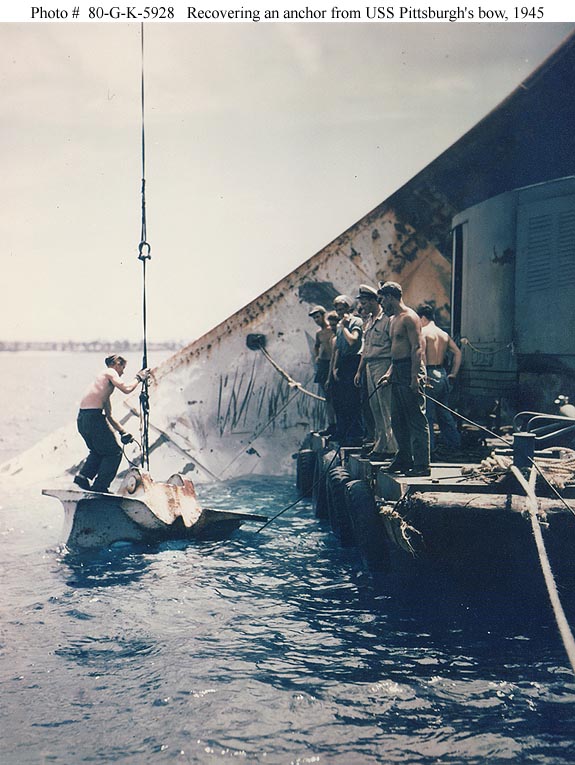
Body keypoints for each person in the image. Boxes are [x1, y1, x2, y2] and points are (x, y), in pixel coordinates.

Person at [377, 281, 430, 476]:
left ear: (390, 297)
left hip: (410, 369)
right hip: (398, 370)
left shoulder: (410, 317)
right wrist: (389, 373)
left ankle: (422, 465)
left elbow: (417, 348)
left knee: (416, 418)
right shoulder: (393, 320)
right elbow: (396, 351)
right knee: (398, 420)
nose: (381, 304)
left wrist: (415, 378)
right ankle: (404, 458)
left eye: (382, 300)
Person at [74, 355, 149, 493]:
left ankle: (82, 477)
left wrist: (123, 432)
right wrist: (139, 377)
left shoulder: (102, 387)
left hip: (83, 419)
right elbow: (127, 388)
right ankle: (100, 486)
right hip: (94, 418)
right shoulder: (110, 371)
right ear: (116, 364)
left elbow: (109, 415)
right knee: (114, 453)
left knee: (98, 451)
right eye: (122, 368)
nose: (122, 373)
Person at [354, 284, 397, 461]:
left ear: (374, 301)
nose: (362, 306)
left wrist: (390, 371)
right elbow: (365, 350)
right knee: (375, 408)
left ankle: (392, 448)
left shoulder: (387, 319)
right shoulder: (369, 322)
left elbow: (394, 347)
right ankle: (381, 444)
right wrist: (359, 371)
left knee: (386, 407)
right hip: (370, 366)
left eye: (365, 302)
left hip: (383, 364)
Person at [416, 304, 462, 455]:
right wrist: (453, 373)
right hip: (442, 374)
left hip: (429, 372)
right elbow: (458, 353)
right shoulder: (443, 334)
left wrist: (423, 375)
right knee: (444, 413)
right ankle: (454, 445)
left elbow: (422, 354)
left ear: (422, 317)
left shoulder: (423, 332)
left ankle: (428, 450)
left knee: (427, 415)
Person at [328, 295, 364, 446]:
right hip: (343, 363)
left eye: (342, 309)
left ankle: (354, 434)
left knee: (351, 400)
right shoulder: (339, 326)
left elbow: (352, 341)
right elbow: (338, 349)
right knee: (340, 401)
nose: (340, 312)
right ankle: (342, 431)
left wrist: (343, 327)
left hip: (353, 361)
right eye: (337, 310)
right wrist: (334, 368)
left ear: (348, 308)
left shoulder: (356, 322)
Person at [308, 305, 336, 434]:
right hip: (324, 365)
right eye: (314, 318)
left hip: (334, 363)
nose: (316, 320)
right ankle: (331, 424)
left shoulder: (333, 329)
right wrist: (317, 356)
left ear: (324, 315)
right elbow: (316, 346)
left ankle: (339, 424)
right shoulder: (319, 333)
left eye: (318, 317)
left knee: (336, 396)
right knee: (327, 397)